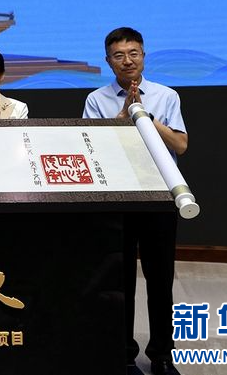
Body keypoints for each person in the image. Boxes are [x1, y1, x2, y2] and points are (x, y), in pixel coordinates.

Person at [83, 27, 187, 375]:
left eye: (133, 53)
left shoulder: (166, 95)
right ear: (107, 60)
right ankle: (123, 354)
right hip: (118, 195)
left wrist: (145, 116)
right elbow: (92, 149)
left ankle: (162, 355)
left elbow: (181, 144)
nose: (127, 60)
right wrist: (123, 116)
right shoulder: (96, 100)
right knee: (119, 279)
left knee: (160, 278)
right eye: (119, 55)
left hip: (160, 194)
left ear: (144, 55)